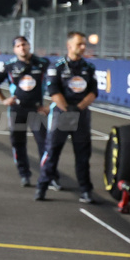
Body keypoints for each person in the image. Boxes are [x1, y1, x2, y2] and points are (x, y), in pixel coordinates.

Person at [36, 31, 99, 203]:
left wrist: (78, 108)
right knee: (52, 152)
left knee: (83, 156)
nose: (83, 47)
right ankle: (42, 186)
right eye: (79, 44)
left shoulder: (89, 67)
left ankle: (86, 190)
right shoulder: (56, 67)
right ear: (69, 46)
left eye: (84, 44)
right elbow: (53, 91)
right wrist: (67, 108)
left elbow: (94, 92)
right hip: (61, 114)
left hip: (82, 115)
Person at [0, 36, 49, 186]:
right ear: (14, 49)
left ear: (29, 46)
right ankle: (24, 174)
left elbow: (57, 82)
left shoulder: (42, 63)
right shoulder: (9, 65)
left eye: (24, 44)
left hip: (37, 110)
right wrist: (4, 99)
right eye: (18, 46)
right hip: (17, 109)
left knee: (44, 144)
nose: (22, 48)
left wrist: (50, 106)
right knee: (18, 143)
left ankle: (48, 175)